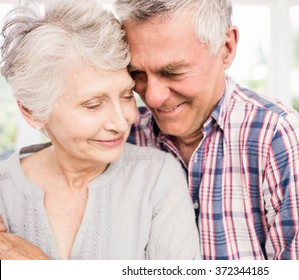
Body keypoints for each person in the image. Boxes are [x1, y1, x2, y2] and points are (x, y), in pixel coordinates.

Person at [114, 0, 299, 259]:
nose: (153, 97)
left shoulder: (277, 136)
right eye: (137, 73)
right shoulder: (123, 138)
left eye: (174, 72)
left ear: (227, 48)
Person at [0, 0, 199, 260]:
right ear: (31, 111)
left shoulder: (157, 178)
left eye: (127, 95)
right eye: (93, 105)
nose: (123, 120)